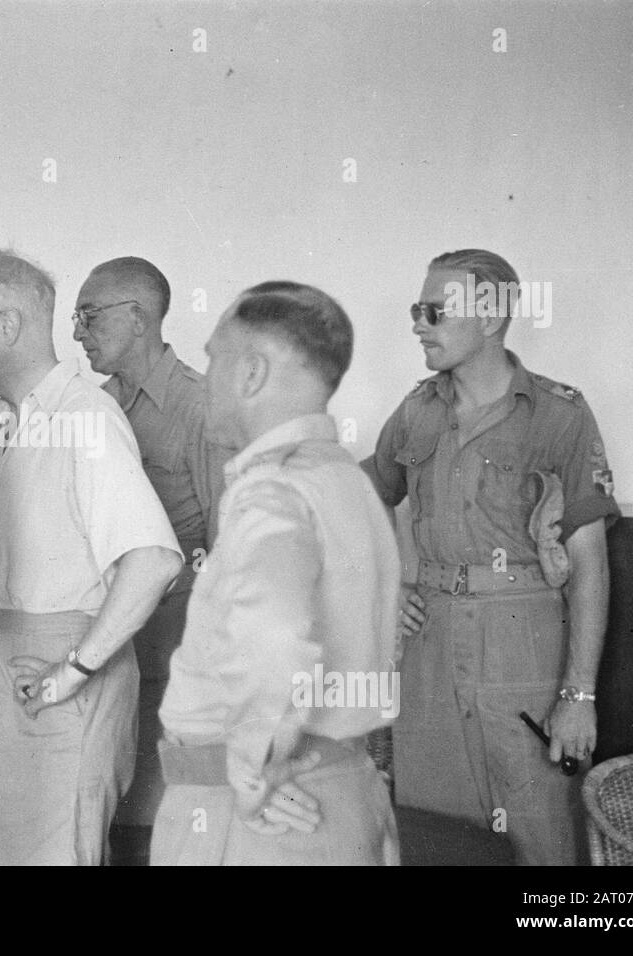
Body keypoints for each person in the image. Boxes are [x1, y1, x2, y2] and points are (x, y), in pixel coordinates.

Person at [361, 249, 617, 865]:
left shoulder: (559, 414)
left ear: (493, 315)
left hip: (522, 643)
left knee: (540, 830)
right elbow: (368, 496)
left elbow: (590, 565)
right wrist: (394, 584)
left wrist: (578, 696)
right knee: (435, 831)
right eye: (415, 311)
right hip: (429, 646)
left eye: (434, 311)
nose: (419, 323)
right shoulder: (417, 410)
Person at [0, 250, 183, 865]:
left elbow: (153, 559)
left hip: (48, 692)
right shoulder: (13, 424)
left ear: (7, 325)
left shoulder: (85, 421)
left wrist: (75, 669)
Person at [152, 281, 402, 866]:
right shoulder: (345, 480)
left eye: (214, 356)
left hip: (257, 818)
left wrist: (247, 769)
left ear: (252, 373)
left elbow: (276, 630)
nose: (205, 375)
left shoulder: (271, 489)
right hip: (343, 792)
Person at [70, 256, 229, 828]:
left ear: (138, 318)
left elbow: (230, 547)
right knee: (103, 814)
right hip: (103, 649)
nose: (77, 333)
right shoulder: (95, 409)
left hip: (175, 652)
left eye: (90, 316)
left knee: (172, 820)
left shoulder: (203, 408)